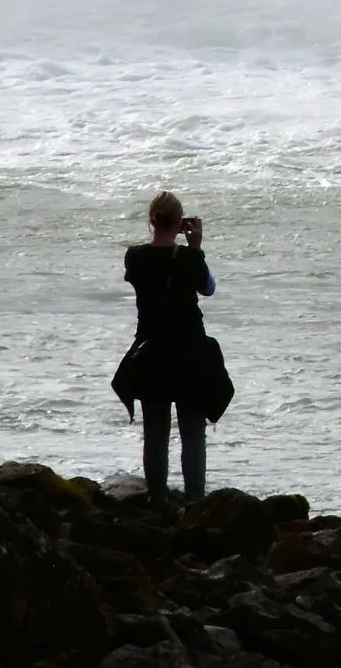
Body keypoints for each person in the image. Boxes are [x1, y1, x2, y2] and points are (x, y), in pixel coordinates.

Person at [114, 191, 229, 505]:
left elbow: (142, 276)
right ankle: (194, 501)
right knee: (193, 434)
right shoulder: (190, 258)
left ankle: (159, 500)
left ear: (151, 220)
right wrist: (195, 247)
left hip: (151, 352)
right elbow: (208, 288)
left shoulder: (134, 256)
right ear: (180, 223)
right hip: (190, 351)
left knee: (155, 433)